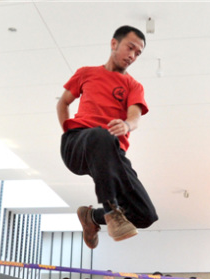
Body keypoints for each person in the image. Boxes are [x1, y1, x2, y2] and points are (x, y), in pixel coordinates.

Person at [57, 25, 158, 249]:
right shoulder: (86, 73)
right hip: (79, 144)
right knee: (100, 135)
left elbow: (135, 117)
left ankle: (92, 218)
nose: (132, 55)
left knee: (145, 215)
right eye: (130, 48)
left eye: (138, 53)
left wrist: (126, 124)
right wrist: (69, 131)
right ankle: (112, 211)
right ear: (114, 44)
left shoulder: (133, 85)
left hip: (112, 153)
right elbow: (63, 102)